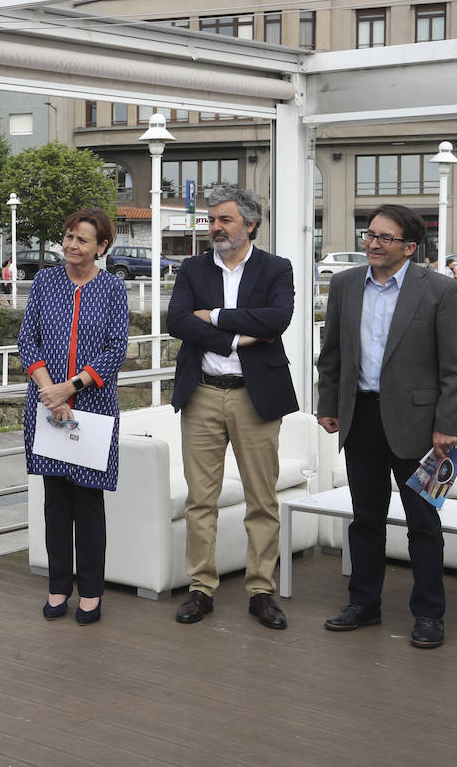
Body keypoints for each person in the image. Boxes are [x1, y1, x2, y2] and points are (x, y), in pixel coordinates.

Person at [316, 204, 457, 649]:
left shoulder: (440, 290)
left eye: (385, 238)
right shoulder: (345, 284)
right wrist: (329, 404)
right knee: (365, 517)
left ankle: (428, 614)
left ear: (409, 247)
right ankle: (363, 604)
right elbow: (333, 354)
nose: (373, 243)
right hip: (360, 418)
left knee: (424, 522)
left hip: (424, 428)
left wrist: (448, 426)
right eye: (370, 234)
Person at [166, 184, 298, 630]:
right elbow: (177, 322)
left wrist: (216, 316)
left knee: (262, 499)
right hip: (201, 393)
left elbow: (277, 320)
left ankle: (261, 590)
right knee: (200, 499)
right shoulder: (192, 267)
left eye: (224, 220)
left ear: (250, 224)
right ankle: (200, 588)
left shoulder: (276, 268)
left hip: (254, 396)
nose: (214, 228)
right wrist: (238, 335)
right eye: (211, 219)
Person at [20, 208, 128, 626]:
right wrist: (50, 391)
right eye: (67, 236)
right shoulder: (45, 282)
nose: (71, 245)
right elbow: (28, 340)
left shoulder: (113, 289)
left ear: (101, 247)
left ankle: (92, 591)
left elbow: (115, 349)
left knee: (88, 503)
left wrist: (71, 388)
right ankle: (58, 586)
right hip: (47, 406)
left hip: (92, 408)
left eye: (82, 239)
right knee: (55, 502)